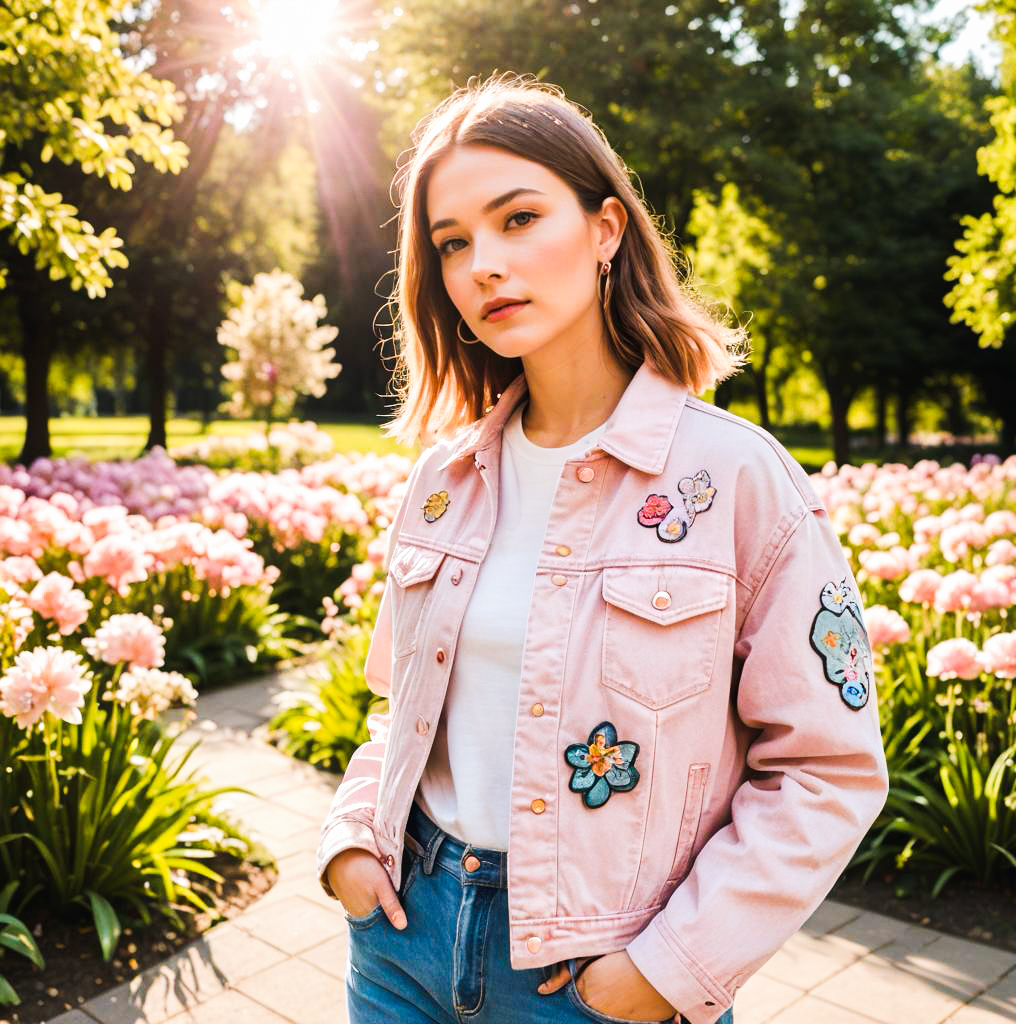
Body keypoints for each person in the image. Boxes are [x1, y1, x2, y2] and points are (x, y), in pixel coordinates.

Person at [316, 71, 889, 1024]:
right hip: (401, 943)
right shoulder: (445, 480)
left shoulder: (736, 480)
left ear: (607, 232)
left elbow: (828, 768)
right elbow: (400, 709)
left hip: (599, 979)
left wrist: (669, 969)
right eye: (452, 244)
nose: (484, 265)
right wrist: (351, 842)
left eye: (518, 218)